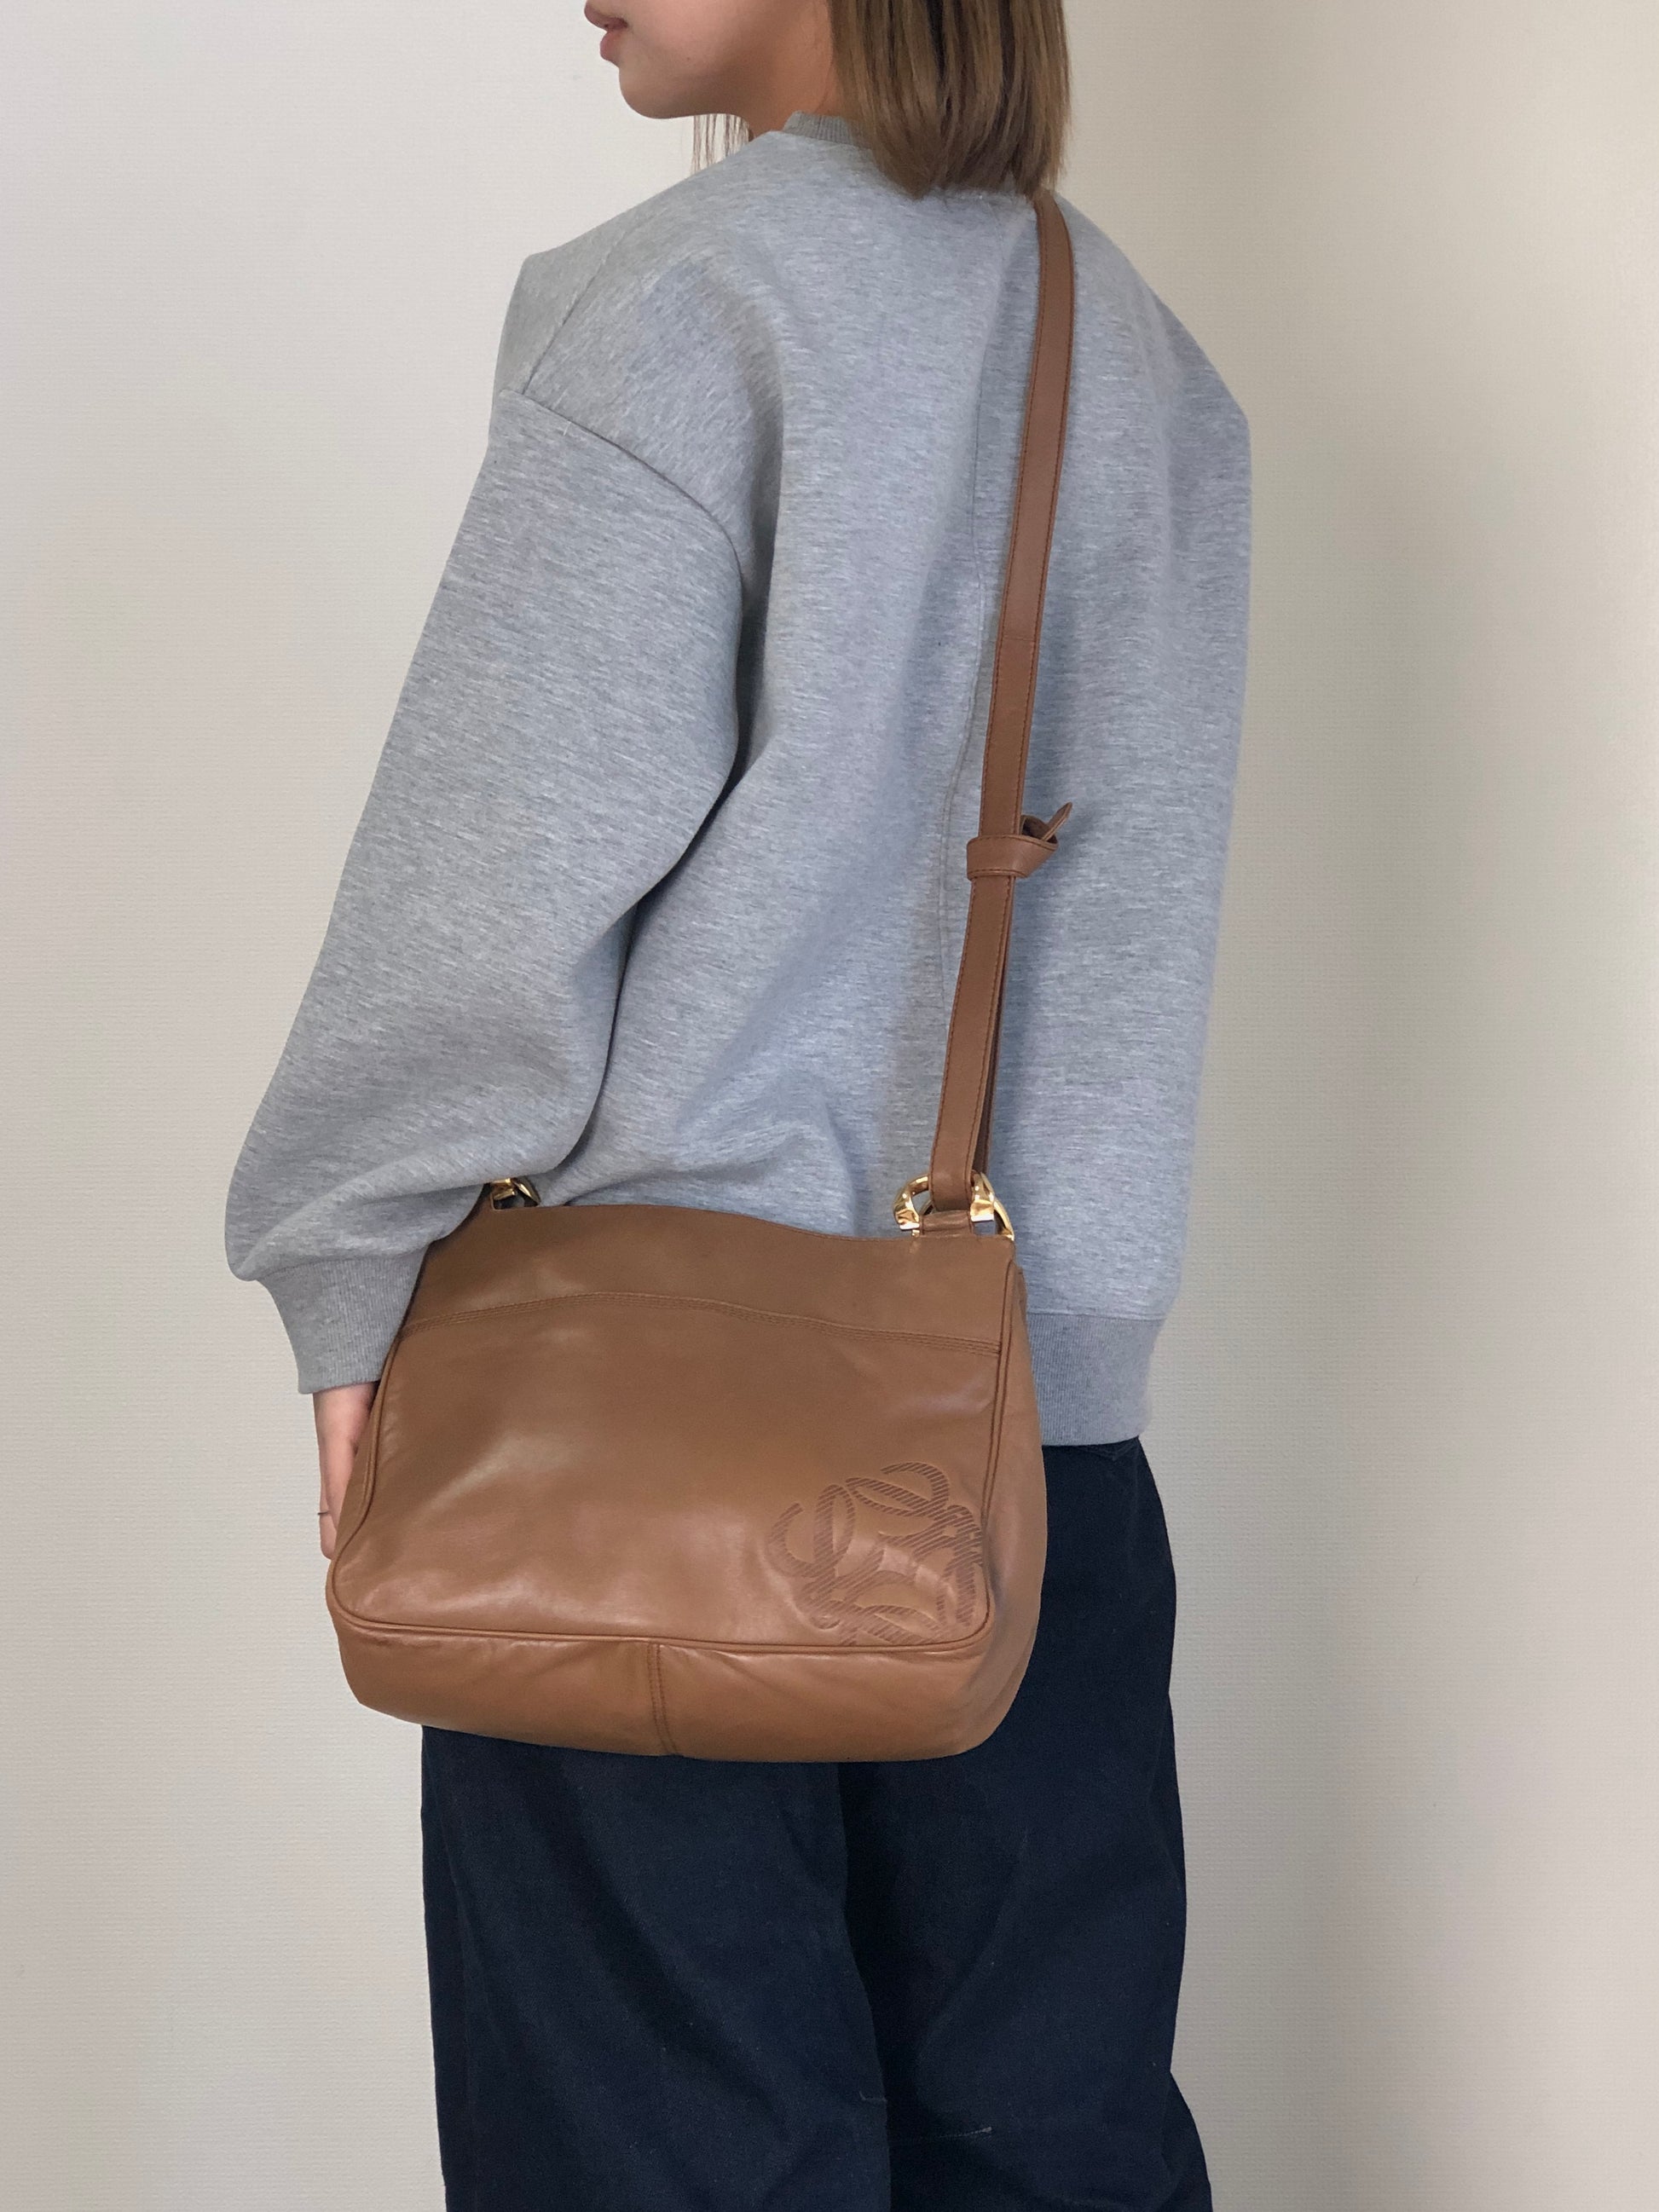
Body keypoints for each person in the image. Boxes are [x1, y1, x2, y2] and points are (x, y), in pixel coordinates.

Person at [224, 2, 1250, 2203]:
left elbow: (485, 901)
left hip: (645, 1455)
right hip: (1037, 1483)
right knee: (1045, 2152)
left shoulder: (685, 310)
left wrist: (345, 1252)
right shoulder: (1148, 370)